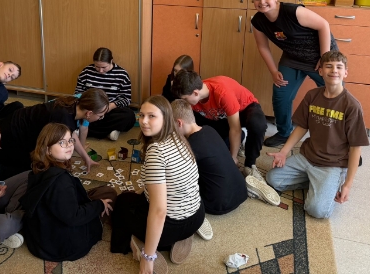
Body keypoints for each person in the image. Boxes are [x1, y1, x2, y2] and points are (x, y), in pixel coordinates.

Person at [266, 51, 369, 219]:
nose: (334, 70)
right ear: (320, 71)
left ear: (345, 73)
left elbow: (356, 148)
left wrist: (348, 185)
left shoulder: (352, 105)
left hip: (332, 164)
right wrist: (283, 152)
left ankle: (333, 180)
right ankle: (317, 182)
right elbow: (302, 127)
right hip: (307, 157)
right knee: (273, 179)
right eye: (328, 66)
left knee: (317, 210)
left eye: (339, 67)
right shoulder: (312, 95)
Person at [111, 96, 205, 274]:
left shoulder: (156, 150)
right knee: (137, 196)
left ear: (166, 118)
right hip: (197, 217)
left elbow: (159, 211)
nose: (144, 121)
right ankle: (182, 237)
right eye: (141, 115)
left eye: (151, 116)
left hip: (171, 227)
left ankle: (150, 245)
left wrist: (148, 258)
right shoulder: (178, 137)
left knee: (122, 202)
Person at [250, 0, 338, 148]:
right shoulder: (258, 21)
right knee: (281, 93)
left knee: (335, 96)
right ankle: (284, 133)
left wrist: (325, 58)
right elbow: (263, 47)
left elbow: (324, 25)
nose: (262, 2)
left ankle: (338, 139)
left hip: (320, 56)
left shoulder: (293, 11)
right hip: (293, 58)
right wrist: (273, 71)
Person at [172, 72, 278, 206]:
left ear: (195, 93)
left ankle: (250, 166)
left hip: (244, 109)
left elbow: (235, 128)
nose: (184, 103)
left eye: (185, 99)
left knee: (257, 125)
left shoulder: (222, 93)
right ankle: (240, 140)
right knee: (217, 149)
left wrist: (233, 158)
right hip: (219, 116)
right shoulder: (193, 96)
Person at [21, 123, 117, 262]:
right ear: (48, 150)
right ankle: (100, 219)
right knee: (109, 195)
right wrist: (100, 205)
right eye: (62, 143)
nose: (69, 145)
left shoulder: (40, 167)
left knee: (103, 191)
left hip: (41, 235)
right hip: (61, 246)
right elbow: (73, 217)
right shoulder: (61, 181)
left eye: (70, 140)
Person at [0, 89, 109, 180]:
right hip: (10, 136)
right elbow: (49, 149)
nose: (101, 118)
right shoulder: (63, 118)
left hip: (15, 124)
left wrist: (85, 157)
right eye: (100, 116)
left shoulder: (75, 103)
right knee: (31, 173)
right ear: (89, 113)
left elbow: (71, 133)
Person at [171, 99, 249, 216]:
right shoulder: (209, 129)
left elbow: (176, 176)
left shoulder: (190, 147)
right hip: (241, 191)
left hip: (217, 204)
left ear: (179, 123)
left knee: (177, 186)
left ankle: (194, 217)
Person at [74, 47, 135, 141]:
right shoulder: (86, 72)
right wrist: (88, 107)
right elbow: (78, 93)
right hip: (90, 109)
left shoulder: (122, 74)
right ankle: (108, 132)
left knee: (129, 116)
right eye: (97, 67)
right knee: (71, 113)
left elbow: (126, 99)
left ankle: (83, 131)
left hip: (109, 109)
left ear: (111, 61)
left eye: (104, 67)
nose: (100, 71)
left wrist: (109, 107)